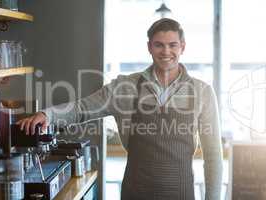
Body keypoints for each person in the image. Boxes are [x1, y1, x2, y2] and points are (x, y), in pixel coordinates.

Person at [18, 18, 223, 200]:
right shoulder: (125, 87)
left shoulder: (202, 92)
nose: (166, 51)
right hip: (135, 191)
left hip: (181, 194)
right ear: (149, 47)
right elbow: (82, 108)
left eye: (173, 45)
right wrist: (48, 115)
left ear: (182, 47)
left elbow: (213, 154)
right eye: (159, 45)